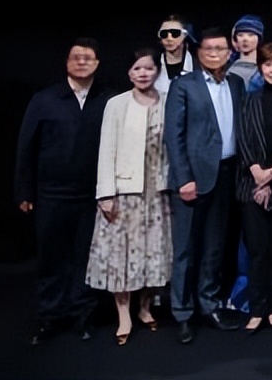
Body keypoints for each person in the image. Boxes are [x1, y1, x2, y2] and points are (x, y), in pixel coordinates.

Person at [16, 38, 113, 344]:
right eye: (76, 57)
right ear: (67, 63)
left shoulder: (108, 100)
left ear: (97, 63)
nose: (81, 62)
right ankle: (49, 318)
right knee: (51, 258)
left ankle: (81, 315)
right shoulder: (44, 99)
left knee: (85, 259)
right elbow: (26, 147)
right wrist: (24, 192)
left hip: (91, 196)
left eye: (88, 57)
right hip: (51, 194)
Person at [164, 28, 246, 344]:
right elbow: (174, 136)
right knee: (186, 248)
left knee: (215, 247)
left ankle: (209, 305)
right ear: (199, 53)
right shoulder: (183, 85)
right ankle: (182, 313)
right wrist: (184, 178)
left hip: (226, 174)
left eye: (220, 49)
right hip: (193, 179)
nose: (214, 54)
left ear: (230, 52)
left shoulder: (236, 83)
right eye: (208, 49)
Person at [87, 47, 172, 346]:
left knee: (152, 253)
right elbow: (106, 149)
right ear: (129, 73)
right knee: (122, 256)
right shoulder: (117, 104)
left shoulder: (168, 101)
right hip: (125, 192)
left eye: (148, 68)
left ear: (157, 71)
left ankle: (145, 308)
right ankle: (123, 314)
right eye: (137, 69)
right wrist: (105, 194)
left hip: (157, 192)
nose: (143, 73)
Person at [234, 42, 272, 334]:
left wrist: (271, 176)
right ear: (260, 67)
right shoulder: (248, 100)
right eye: (269, 63)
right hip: (251, 183)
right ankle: (257, 309)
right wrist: (257, 173)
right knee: (257, 249)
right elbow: (242, 137)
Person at [154, 15, 196, 95]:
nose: (169, 38)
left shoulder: (198, 65)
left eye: (175, 33)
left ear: (185, 35)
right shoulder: (153, 64)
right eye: (164, 34)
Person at [227, 15, 265, 84]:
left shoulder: (266, 69)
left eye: (251, 35)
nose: (245, 39)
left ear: (259, 39)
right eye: (240, 35)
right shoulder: (228, 71)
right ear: (235, 39)